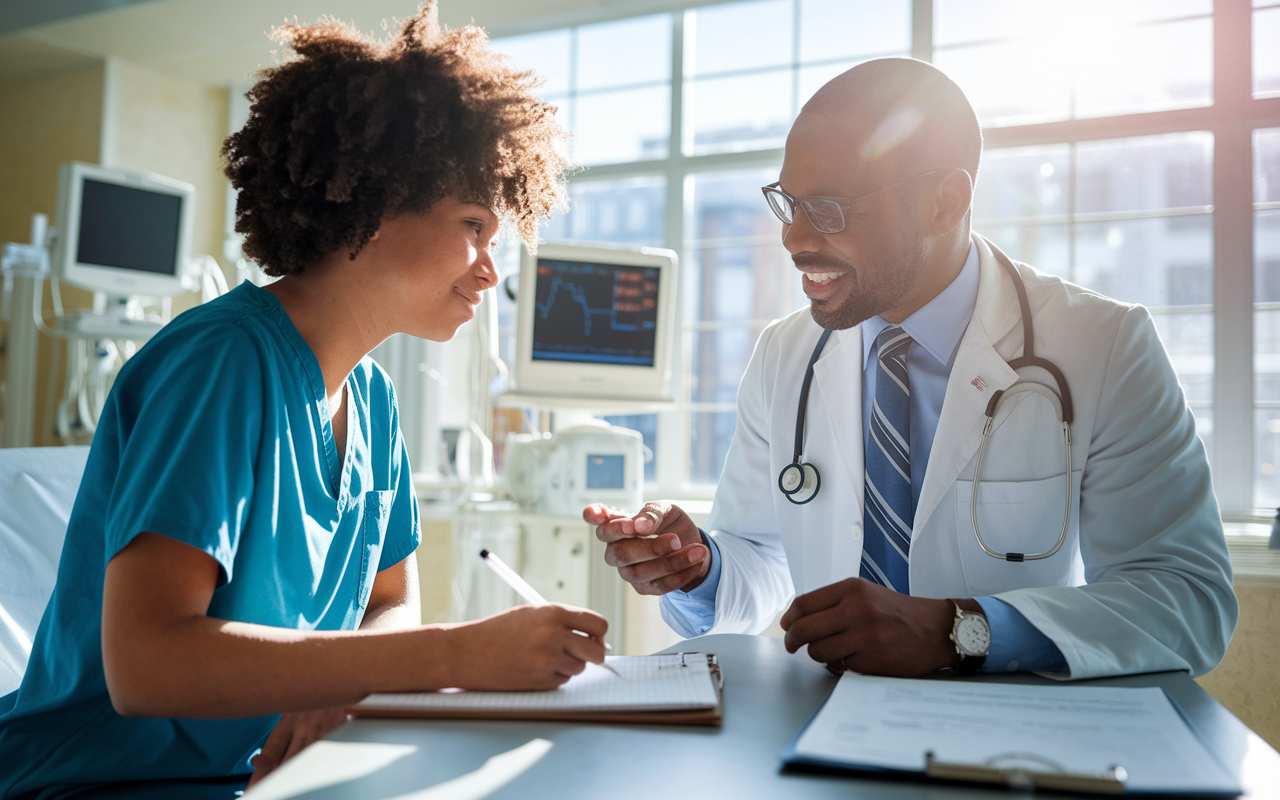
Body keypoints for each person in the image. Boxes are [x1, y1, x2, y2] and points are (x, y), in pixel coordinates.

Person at [0, 5, 605, 798]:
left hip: (267, 777)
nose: (491, 270)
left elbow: (390, 600)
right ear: (381, 205)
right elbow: (145, 665)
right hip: (99, 783)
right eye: (473, 225)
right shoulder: (219, 364)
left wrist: (340, 690)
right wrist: (457, 654)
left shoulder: (375, 402)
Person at [586, 57, 1237, 681]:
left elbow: (1187, 603)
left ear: (945, 203)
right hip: (820, 729)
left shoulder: (1103, 345)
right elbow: (762, 568)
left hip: (1010, 745)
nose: (794, 238)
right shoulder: (786, 355)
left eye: (831, 210)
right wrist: (700, 571)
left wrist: (956, 632)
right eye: (789, 203)